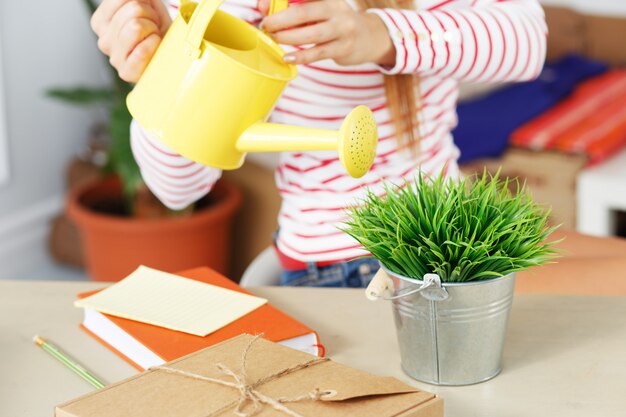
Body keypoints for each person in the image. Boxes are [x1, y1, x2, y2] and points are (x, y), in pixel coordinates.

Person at [90, 0, 547, 287]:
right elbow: (178, 187)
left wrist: (380, 33)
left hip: (455, 233)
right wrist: (167, 70)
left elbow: (527, 41)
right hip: (346, 265)